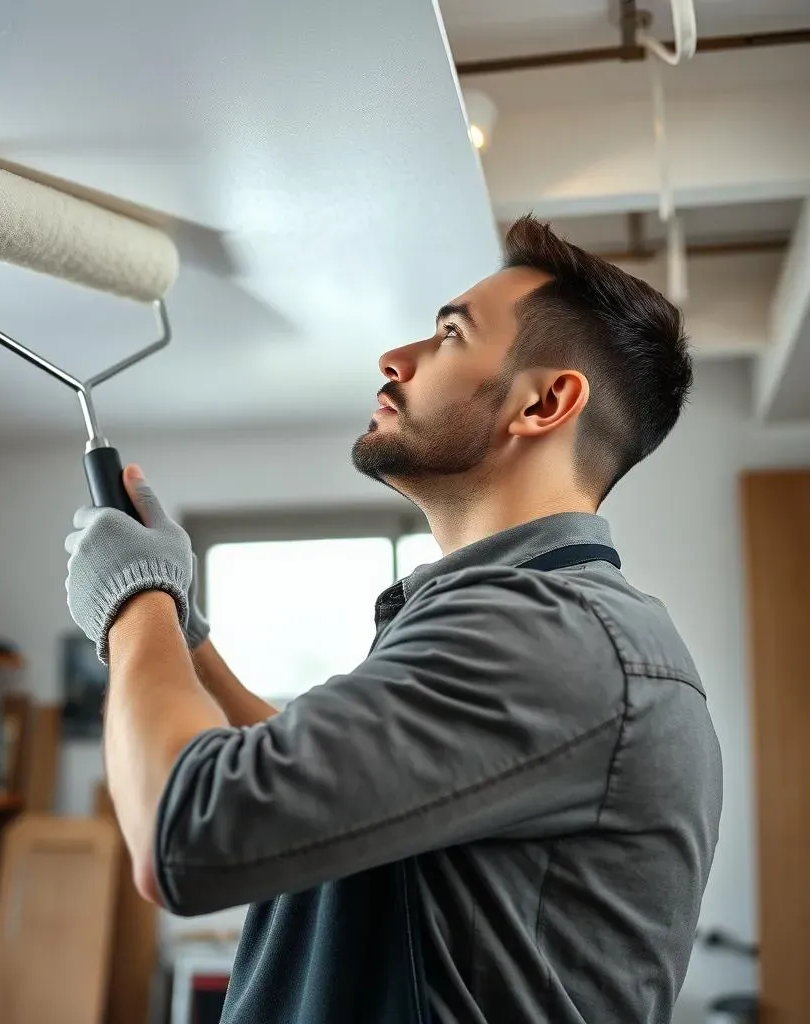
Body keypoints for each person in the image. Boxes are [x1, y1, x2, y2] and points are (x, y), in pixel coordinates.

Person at [64, 215, 722, 1024]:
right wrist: (185, 634)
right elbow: (319, 790)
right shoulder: (542, 620)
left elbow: (186, 835)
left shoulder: (541, 631)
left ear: (546, 402)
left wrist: (135, 598)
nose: (395, 357)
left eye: (450, 333)